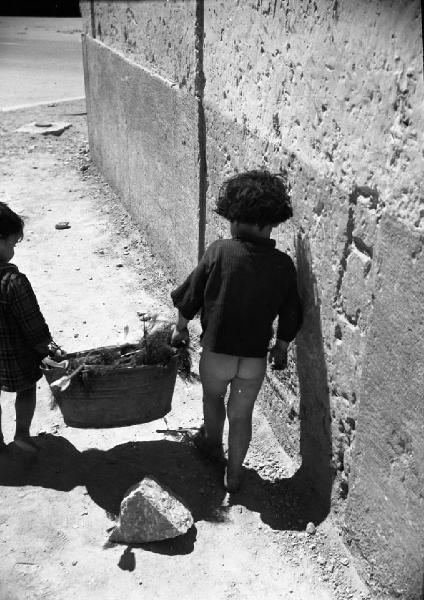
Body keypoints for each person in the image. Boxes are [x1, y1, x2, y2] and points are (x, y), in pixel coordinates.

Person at [171, 170, 302, 493]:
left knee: (213, 398)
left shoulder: (219, 251)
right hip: (253, 360)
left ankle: (213, 446)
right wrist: (282, 347)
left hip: (218, 354)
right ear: (272, 221)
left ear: (235, 217)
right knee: (241, 416)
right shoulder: (283, 264)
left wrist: (181, 329)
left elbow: (192, 294)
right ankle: (234, 474)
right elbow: (292, 312)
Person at [0, 202, 61, 454]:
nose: (14, 250)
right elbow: (32, 322)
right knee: (26, 389)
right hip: (15, 353)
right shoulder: (12, 282)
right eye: (13, 244)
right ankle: (22, 435)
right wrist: (48, 347)